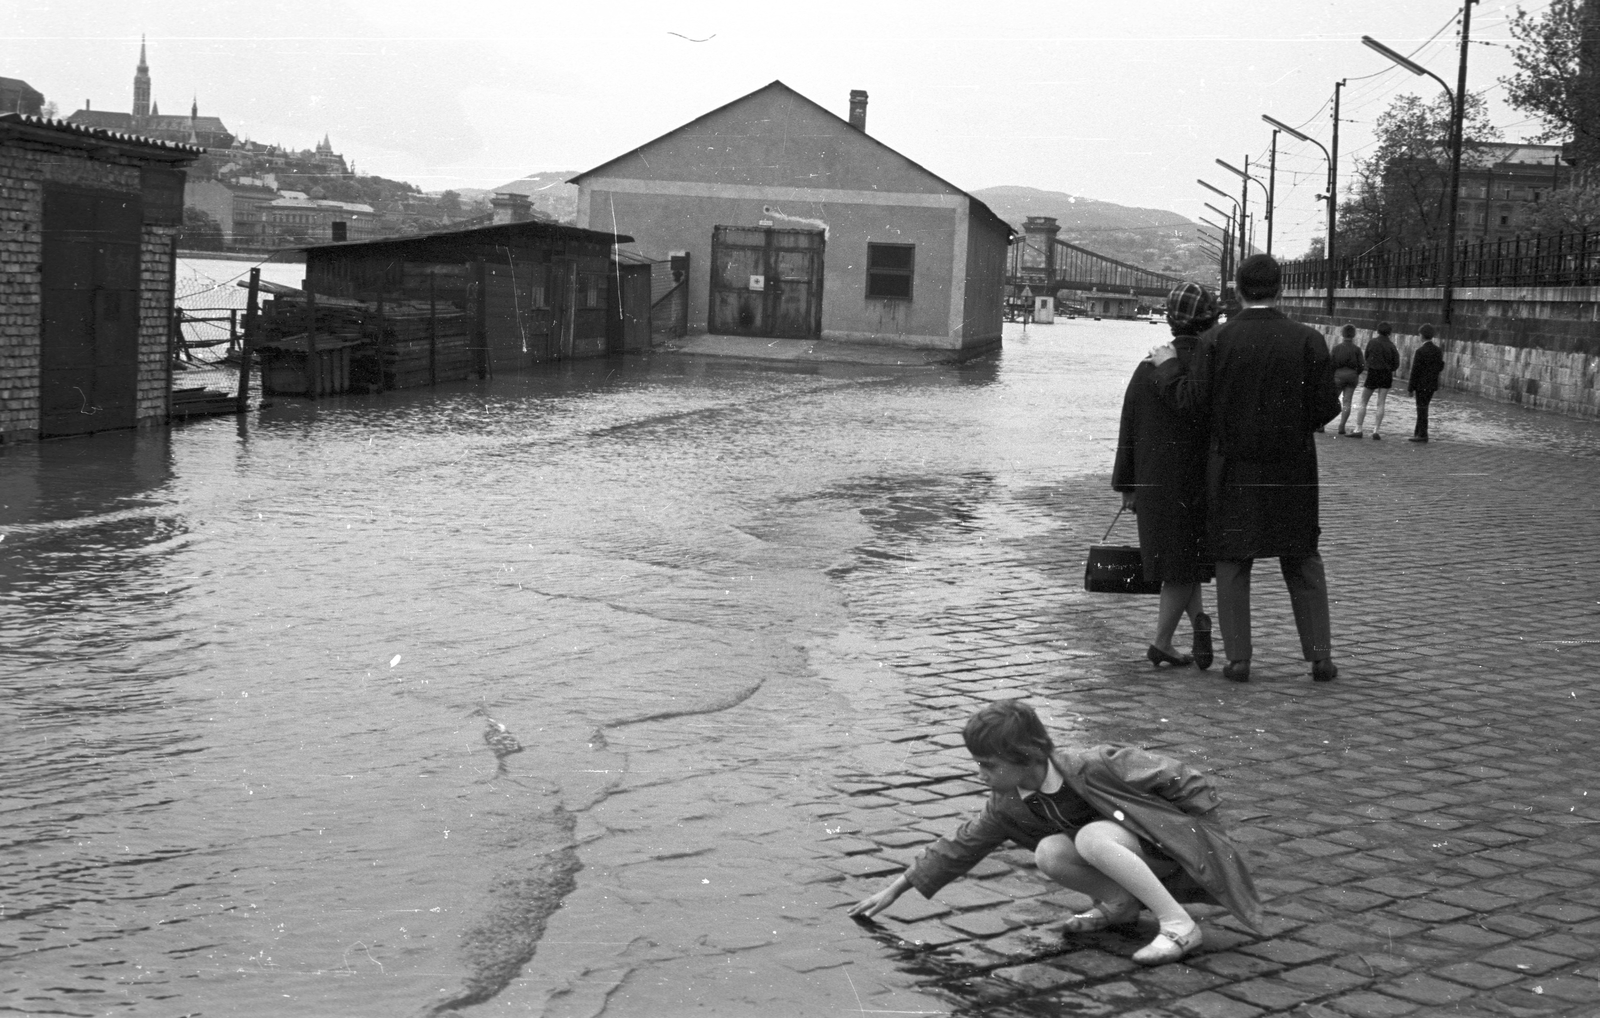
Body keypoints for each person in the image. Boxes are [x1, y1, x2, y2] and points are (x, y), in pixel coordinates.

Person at [848, 700, 1263, 966]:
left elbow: (1183, 778)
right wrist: (898, 887)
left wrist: (1204, 834)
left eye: (989, 765)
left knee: (1091, 838)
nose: (980, 774)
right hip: (1126, 857)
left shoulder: (1093, 764)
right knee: (1049, 851)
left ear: (1026, 756)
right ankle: (1120, 904)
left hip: (1166, 850)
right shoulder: (1008, 804)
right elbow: (962, 845)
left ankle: (1178, 925)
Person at [1148, 254, 1341, 683]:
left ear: (1237, 290)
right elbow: (1328, 407)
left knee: (1233, 561)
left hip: (1232, 469)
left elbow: (1193, 404)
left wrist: (1168, 369)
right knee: (1302, 558)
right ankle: (1320, 657)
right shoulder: (1309, 339)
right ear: (1281, 289)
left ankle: (1239, 659)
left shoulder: (1216, 340)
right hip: (1293, 469)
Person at [1112, 282, 1218, 670]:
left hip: (1153, 481)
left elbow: (1129, 426)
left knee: (1178, 563)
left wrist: (1126, 485)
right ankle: (1162, 642)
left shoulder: (1147, 366)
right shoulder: (1211, 367)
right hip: (1200, 481)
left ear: (1170, 320)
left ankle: (1197, 625)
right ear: (1212, 319)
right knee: (1184, 564)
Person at [1354, 322, 1400, 440]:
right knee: (1381, 403)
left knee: (1363, 401)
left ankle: (1358, 428)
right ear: (1389, 333)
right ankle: (1376, 430)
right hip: (1386, 374)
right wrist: (1389, 369)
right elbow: (1396, 363)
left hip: (1373, 372)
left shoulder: (1372, 342)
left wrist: (1371, 365)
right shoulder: (1392, 345)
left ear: (1378, 331)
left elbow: (1367, 356)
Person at [1407, 323, 1445, 443]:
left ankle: (1422, 434)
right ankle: (1418, 432)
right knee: (1424, 407)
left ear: (1422, 336)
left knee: (1421, 409)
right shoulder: (1438, 351)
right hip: (1432, 385)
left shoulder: (1420, 351)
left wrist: (1410, 388)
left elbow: (1415, 371)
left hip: (1420, 384)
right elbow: (1441, 366)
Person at [1329, 324, 1365, 436]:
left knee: (1331, 400)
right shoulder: (1357, 349)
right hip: (1352, 377)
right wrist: (1355, 373)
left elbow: (1330, 364)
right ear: (1354, 335)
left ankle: (1322, 425)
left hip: (1338, 376)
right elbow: (1362, 365)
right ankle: (1342, 426)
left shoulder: (1336, 348)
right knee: (1347, 401)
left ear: (1342, 334)